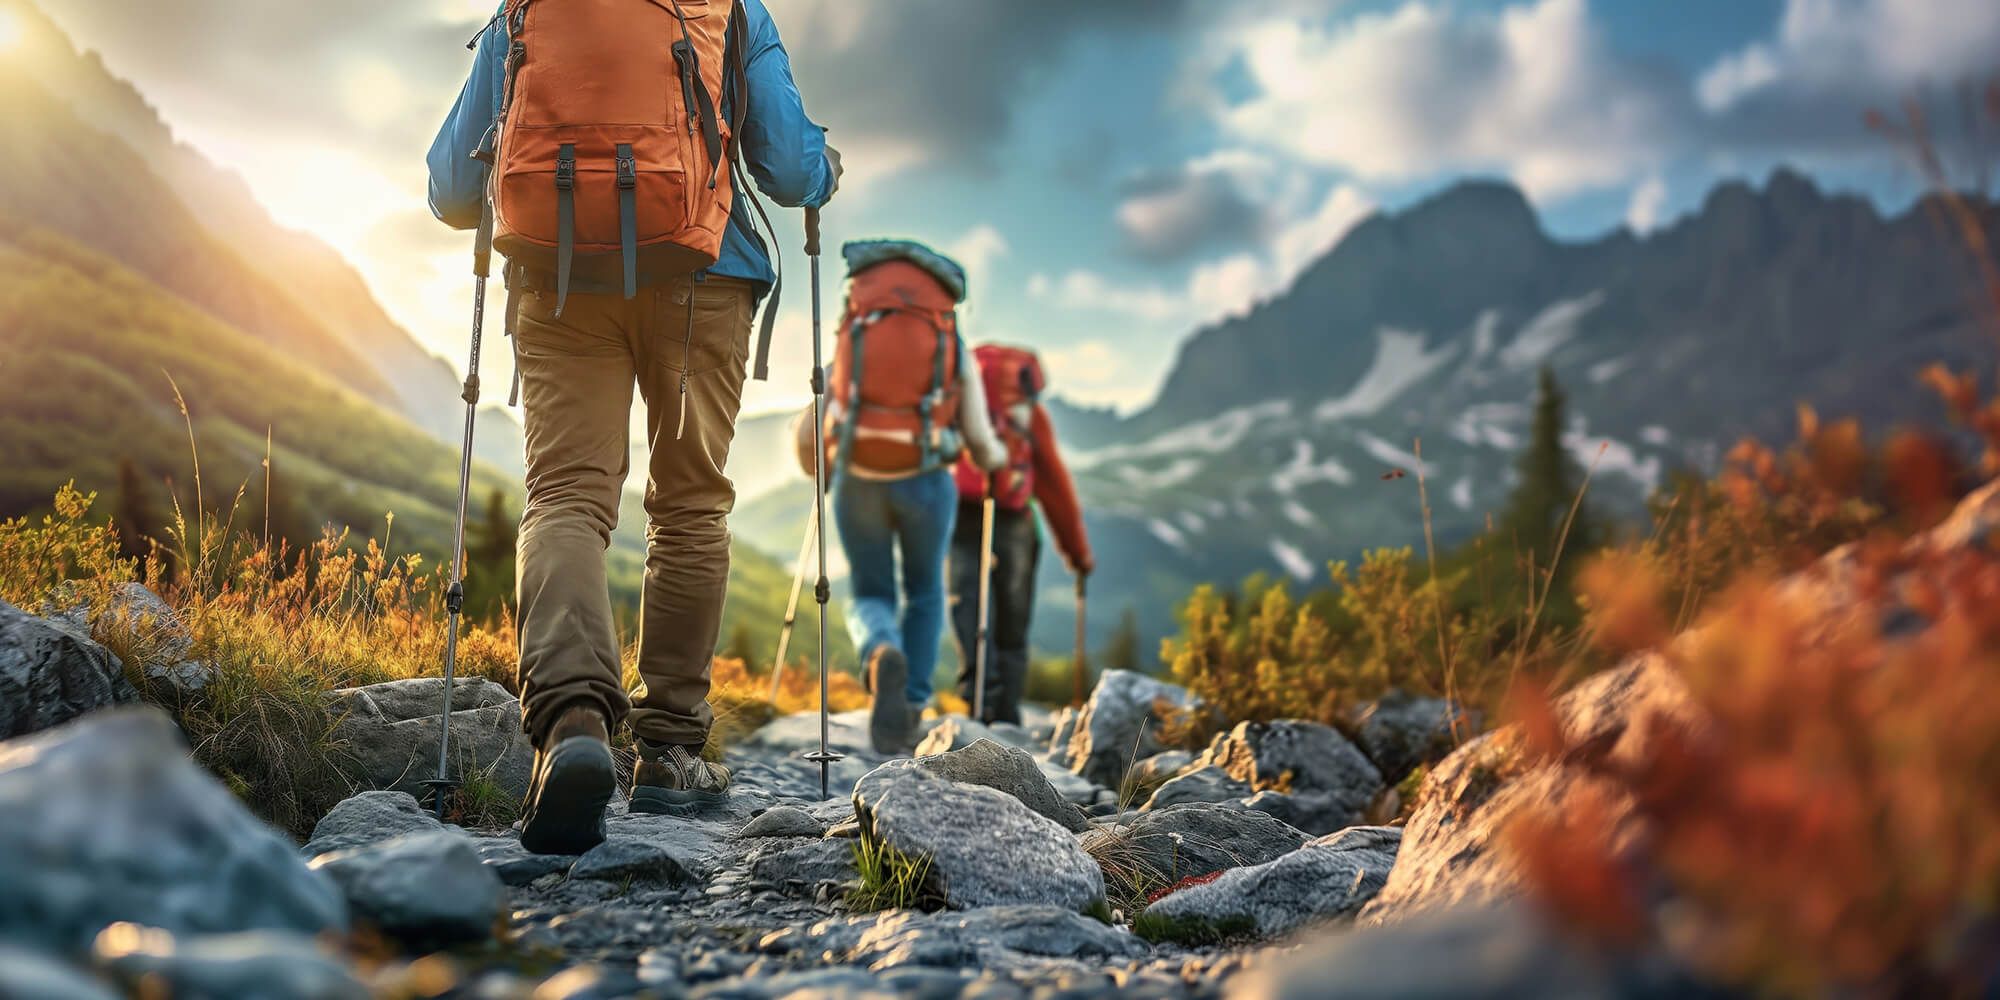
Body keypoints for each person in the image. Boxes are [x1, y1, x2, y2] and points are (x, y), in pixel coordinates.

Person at [427, 0, 840, 855]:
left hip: (559, 277)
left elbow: (449, 190)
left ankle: (573, 721)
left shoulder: (525, 8)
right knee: (689, 506)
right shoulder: (728, 9)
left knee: (566, 496)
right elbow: (792, 172)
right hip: (703, 275)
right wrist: (826, 167)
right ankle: (669, 751)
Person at [821, 240, 1006, 754]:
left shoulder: (853, 328)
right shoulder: (948, 338)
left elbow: (825, 403)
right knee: (925, 591)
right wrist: (992, 462)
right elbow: (980, 435)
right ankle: (912, 704)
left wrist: (817, 460)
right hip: (926, 477)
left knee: (869, 590)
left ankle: (880, 653)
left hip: (859, 475)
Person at [949, 346, 1093, 724]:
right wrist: (1077, 553)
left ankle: (979, 699)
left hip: (962, 511)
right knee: (1013, 616)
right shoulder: (1031, 416)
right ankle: (1008, 712)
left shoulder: (960, 402)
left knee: (968, 605)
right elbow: (1054, 486)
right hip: (1014, 517)